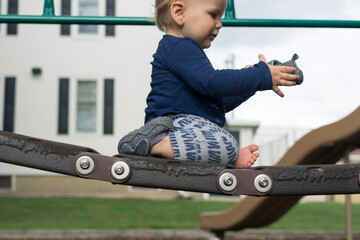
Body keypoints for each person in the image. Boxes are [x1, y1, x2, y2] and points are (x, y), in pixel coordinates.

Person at [118, 0, 300, 168]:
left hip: (188, 126)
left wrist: (251, 84)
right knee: (228, 143)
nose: (220, 24)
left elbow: (216, 100)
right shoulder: (179, 47)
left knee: (226, 142)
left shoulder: (185, 52)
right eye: (213, 15)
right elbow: (212, 83)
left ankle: (227, 155)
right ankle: (155, 142)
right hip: (173, 125)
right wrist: (259, 75)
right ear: (179, 12)